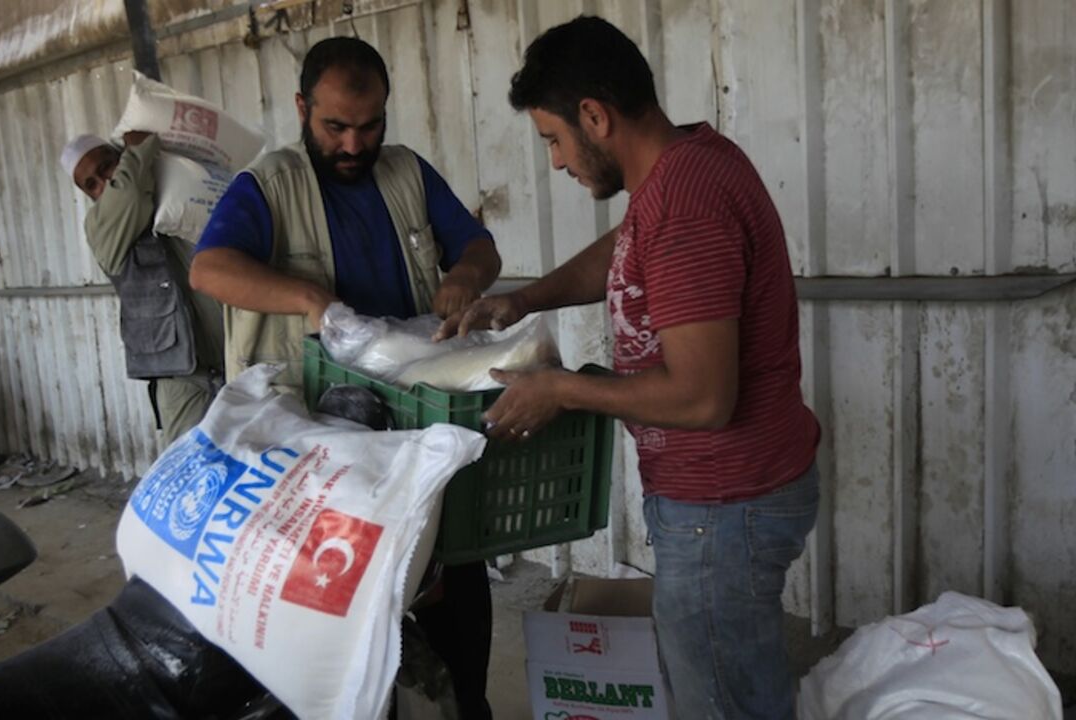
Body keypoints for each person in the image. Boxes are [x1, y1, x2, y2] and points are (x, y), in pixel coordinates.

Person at [439, 16, 821, 720]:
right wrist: (521, 301)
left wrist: (561, 390)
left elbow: (705, 398)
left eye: (554, 139)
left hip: (723, 508)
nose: (556, 161)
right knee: (733, 685)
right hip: (727, 500)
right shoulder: (687, 166)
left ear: (595, 115)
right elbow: (627, 250)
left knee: (725, 703)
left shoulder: (685, 206)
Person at [190, 37, 502, 718]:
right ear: (303, 109)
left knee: (457, 614)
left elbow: (480, 247)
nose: (354, 145)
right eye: (336, 127)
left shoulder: (407, 175)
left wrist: (463, 277)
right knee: (336, 631)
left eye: (370, 126)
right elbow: (208, 269)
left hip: (417, 435)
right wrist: (306, 298)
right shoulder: (268, 185)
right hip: (320, 455)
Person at [61, 129, 226, 443]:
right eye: (91, 184)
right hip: (181, 375)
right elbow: (131, 193)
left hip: (234, 355)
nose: (105, 183)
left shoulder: (174, 200)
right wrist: (139, 150)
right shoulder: (100, 226)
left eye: (107, 166)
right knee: (189, 470)